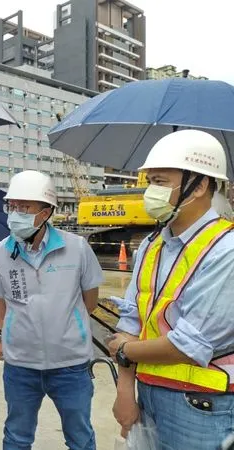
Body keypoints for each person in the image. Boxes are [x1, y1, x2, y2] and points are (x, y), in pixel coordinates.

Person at [109, 130, 234, 450]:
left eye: (161, 182)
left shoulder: (226, 249)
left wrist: (126, 350)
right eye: (150, 181)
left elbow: (192, 343)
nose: (151, 191)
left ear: (200, 186)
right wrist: (125, 391)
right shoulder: (152, 245)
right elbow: (131, 318)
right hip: (149, 393)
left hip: (202, 405)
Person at [0, 170, 103, 450]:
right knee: (16, 436)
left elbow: (91, 301)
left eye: (24, 207)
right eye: (12, 206)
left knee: (80, 437)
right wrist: (3, 334)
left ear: (46, 211)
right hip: (21, 365)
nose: (16, 213)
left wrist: (64, 324)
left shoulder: (77, 248)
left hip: (71, 365)